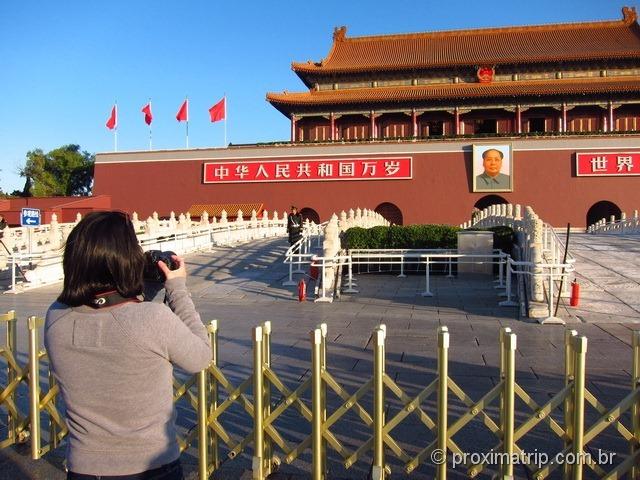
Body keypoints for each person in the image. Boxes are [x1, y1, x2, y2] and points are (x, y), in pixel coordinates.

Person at [44, 211, 212, 480]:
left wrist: (136, 285)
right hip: (151, 466)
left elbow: (108, 312)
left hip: (84, 467)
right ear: (125, 260)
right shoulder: (152, 319)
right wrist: (177, 288)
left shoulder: (56, 316)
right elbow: (200, 357)